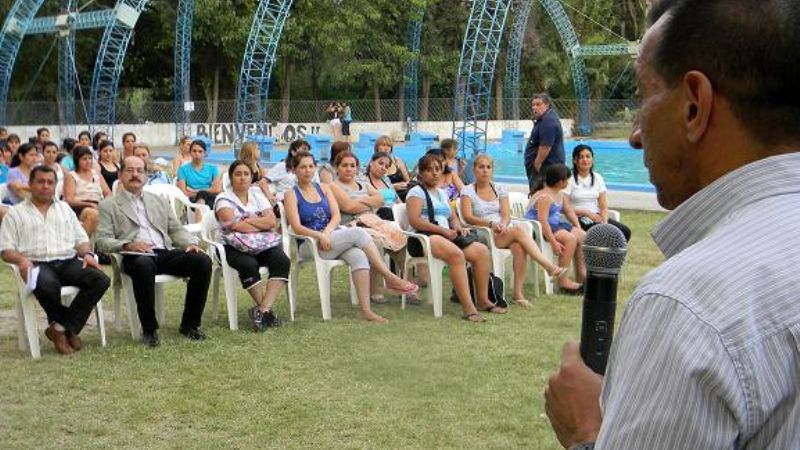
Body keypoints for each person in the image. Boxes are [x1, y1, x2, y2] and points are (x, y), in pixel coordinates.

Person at [544, 1, 800, 448]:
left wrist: (586, 431)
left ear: (694, 107)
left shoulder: (689, 306)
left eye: (643, 98)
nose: (635, 134)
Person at [283, 150, 418, 324]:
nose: (308, 170)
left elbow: (336, 216)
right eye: (303, 167)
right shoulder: (291, 194)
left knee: (359, 255)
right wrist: (320, 235)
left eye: (311, 166)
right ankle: (389, 277)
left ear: (315, 168)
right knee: (358, 232)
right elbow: (296, 226)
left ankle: (366, 311)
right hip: (310, 244)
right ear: (294, 170)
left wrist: (327, 232)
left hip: (331, 237)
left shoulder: (324, 188)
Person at [96, 156, 212, 347]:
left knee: (202, 261)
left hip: (163, 251)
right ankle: (150, 330)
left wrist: (189, 243)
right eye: (130, 170)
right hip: (135, 255)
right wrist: (127, 245)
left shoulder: (158, 201)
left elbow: (175, 229)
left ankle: (190, 325)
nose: (135, 175)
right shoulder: (109, 205)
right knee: (143, 264)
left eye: (140, 171)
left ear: (146, 175)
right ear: (120, 174)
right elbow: (102, 241)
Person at [0, 165, 110, 354]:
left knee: (100, 279)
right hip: (36, 263)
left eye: (50, 182)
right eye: (40, 181)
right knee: (46, 284)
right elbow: (6, 250)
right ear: (30, 184)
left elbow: (81, 239)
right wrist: (22, 261)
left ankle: (60, 328)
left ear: (55, 186)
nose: (45, 186)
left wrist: (88, 254)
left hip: (67, 261)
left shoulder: (65, 209)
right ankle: (68, 328)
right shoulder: (15, 213)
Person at [406, 152, 506, 322]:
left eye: (438, 169)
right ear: (421, 173)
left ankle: (482, 300)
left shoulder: (442, 193)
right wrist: (443, 231)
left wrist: (459, 227)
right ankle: (468, 308)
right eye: (430, 170)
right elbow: (415, 220)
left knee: (481, 251)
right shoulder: (416, 192)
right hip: (424, 237)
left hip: (447, 236)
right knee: (456, 255)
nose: (435, 173)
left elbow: (452, 216)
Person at [460, 154, 571, 305]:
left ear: (492, 170)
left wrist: (503, 225)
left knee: (518, 247)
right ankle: (549, 267)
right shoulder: (467, 191)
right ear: (474, 170)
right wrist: (491, 224)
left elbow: (506, 215)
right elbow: (467, 217)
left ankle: (518, 294)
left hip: (503, 230)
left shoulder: (500, 189)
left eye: (488, 167)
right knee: (519, 231)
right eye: (481, 167)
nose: (485, 171)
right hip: (482, 231)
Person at [215, 160, 290, 331]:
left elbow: (272, 221)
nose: (242, 178)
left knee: (282, 260)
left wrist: (247, 221)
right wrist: (258, 222)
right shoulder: (223, 198)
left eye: (246, 174)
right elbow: (233, 226)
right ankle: (267, 313)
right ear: (231, 178)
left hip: (261, 243)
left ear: (251, 177)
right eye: (238, 174)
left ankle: (263, 311)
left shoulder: (257, 194)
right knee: (248, 264)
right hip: (232, 246)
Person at [329, 151, 407, 304]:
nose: (349, 169)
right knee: (376, 242)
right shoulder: (333, 186)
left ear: (357, 168)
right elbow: (348, 207)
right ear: (336, 168)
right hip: (350, 226)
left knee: (400, 238)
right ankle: (374, 289)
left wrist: (359, 201)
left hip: (372, 221)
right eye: (344, 165)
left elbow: (381, 199)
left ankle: (404, 283)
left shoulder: (363, 184)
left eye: (352, 166)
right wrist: (368, 201)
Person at [525, 164, 585, 294]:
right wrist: (554, 243)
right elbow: (543, 221)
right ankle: (562, 280)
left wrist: (578, 227)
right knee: (570, 239)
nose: (568, 182)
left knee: (582, 236)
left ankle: (581, 274)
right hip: (538, 229)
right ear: (559, 182)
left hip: (554, 226)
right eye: (567, 180)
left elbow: (569, 211)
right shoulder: (544, 197)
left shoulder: (560, 194)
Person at [565, 144, 631, 242]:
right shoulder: (568, 179)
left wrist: (604, 223)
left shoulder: (597, 178)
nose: (585, 160)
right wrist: (586, 212)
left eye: (588, 156)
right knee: (601, 234)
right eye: (581, 157)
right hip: (578, 218)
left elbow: (603, 206)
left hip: (597, 217)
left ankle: (611, 257)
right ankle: (598, 256)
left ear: (592, 159)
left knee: (625, 231)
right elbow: (564, 207)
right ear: (575, 160)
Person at [63, 146, 111, 236]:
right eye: (84, 159)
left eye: (90, 158)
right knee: (93, 214)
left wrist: (104, 203)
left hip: (99, 204)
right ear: (77, 160)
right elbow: (69, 199)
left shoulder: (96, 174)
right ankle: (83, 243)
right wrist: (89, 204)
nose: (88, 161)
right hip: (80, 206)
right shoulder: (71, 176)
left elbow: (108, 192)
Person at [524, 93, 564, 192]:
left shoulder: (548, 121)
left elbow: (545, 147)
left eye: (538, 104)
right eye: (533, 105)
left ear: (546, 105)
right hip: (545, 168)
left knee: (540, 198)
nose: (534, 107)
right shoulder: (545, 119)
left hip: (545, 169)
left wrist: (537, 165)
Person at [176, 139, 222, 208]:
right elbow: (183, 192)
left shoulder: (212, 168)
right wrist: (201, 193)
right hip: (193, 200)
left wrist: (196, 191)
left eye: (200, 151)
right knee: (202, 198)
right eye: (194, 151)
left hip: (210, 197)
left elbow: (217, 189)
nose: (197, 154)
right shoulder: (183, 169)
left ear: (205, 153)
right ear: (190, 152)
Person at [365, 151, 400, 220]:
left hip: (395, 213)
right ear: (371, 162)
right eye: (380, 163)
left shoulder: (386, 180)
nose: (383, 168)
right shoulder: (364, 180)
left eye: (386, 166)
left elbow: (397, 200)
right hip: (379, 214)